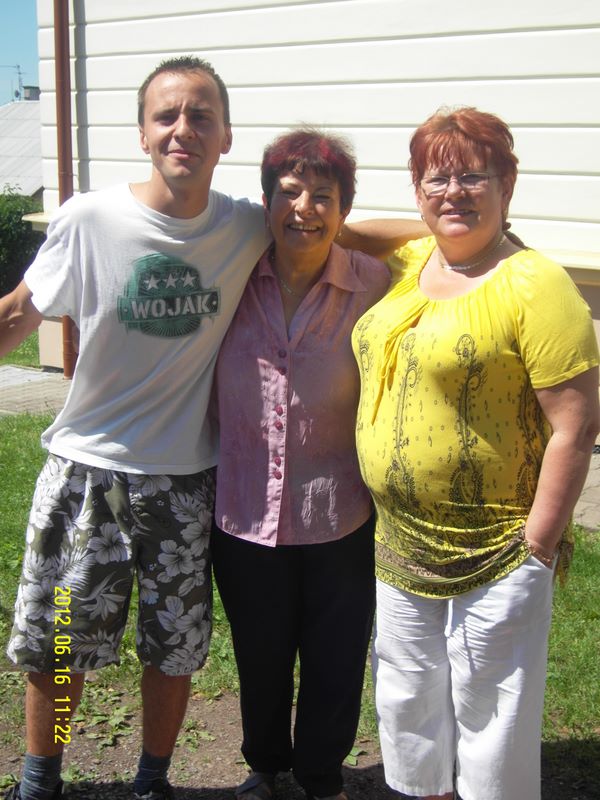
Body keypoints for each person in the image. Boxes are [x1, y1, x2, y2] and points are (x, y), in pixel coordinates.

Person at [0, 57, 426, 800]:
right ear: (142, 133)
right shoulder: (89, 220)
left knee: (173, 649)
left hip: (187, 481)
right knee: (61, 640)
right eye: (166, 116)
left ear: (225, 136)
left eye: (201, 116)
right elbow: (14, 314)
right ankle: (41, 779)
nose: (183, 130)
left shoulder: (244, 225)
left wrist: (463, 232)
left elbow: (344, 229)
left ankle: (153, 780)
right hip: (86, 472)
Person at [351, 107, 600, 800]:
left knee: (492, 712)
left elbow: (577, 426)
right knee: (407, 697)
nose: (453, 192)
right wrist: (433, 222)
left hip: (497, 548)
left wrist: (538, 547)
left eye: (473, 178)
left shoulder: (536, 284)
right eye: (436, 179)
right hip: (401, 542)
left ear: (507, 185)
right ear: (415, 190)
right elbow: (344, 230)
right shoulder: (413, 262)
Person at [211, 128, 390, 800]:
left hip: (338, 510)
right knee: (259, 653)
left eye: (324, 196)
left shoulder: (373, 282)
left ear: (346, 210)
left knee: (335, 656)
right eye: (289, 192)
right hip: (244, 510)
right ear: (266, 202)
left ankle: (319, 773)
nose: (305, 208)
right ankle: (264, 764)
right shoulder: (230, 275)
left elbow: (433, 243)